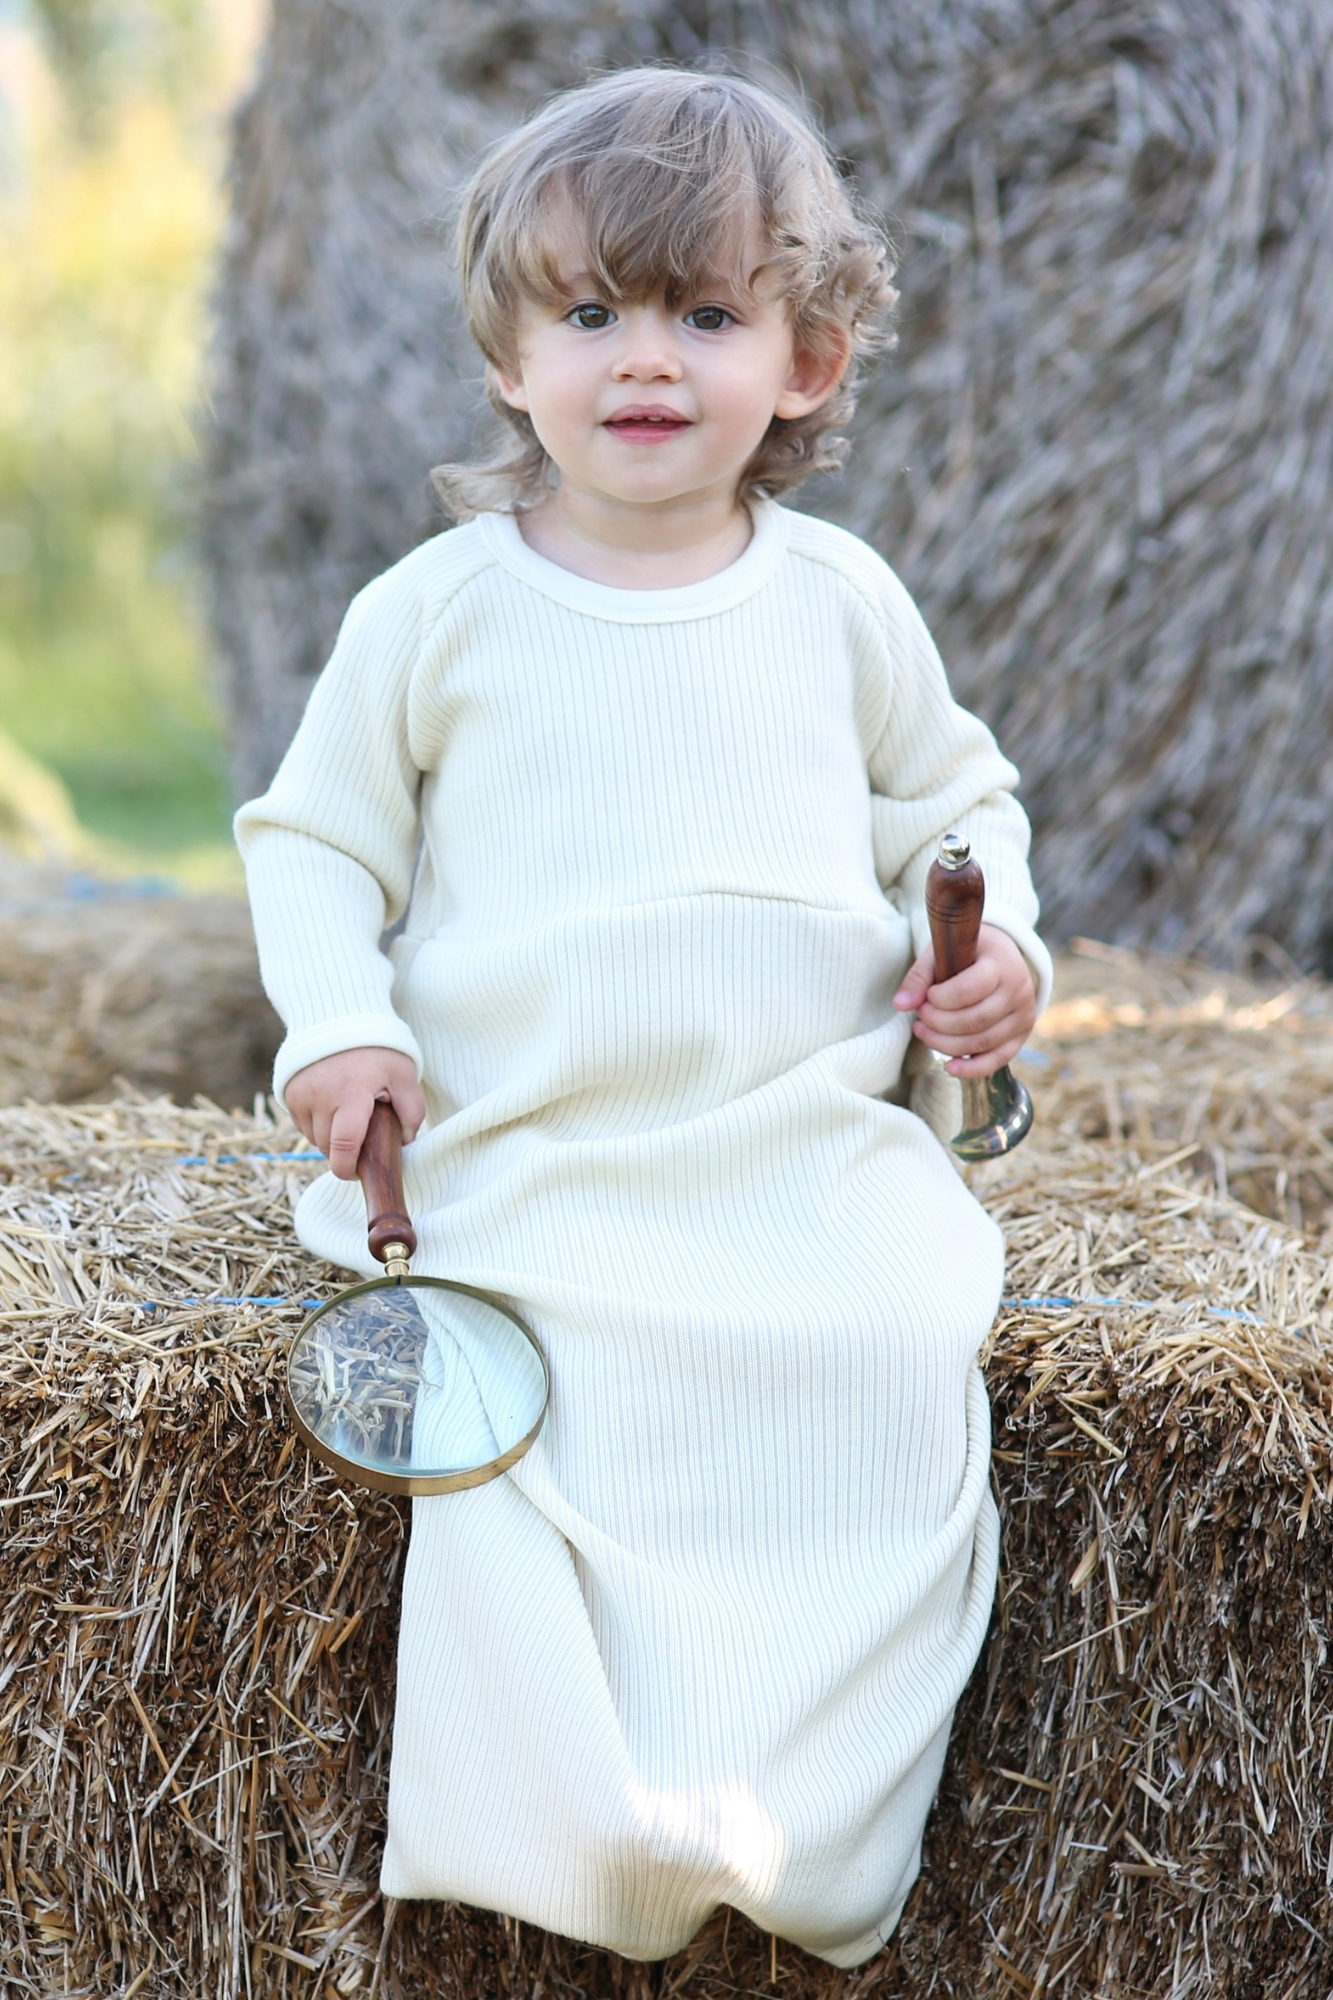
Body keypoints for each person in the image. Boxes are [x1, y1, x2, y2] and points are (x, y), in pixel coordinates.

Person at [236, 64, 1051, 1969]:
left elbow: (955, 808)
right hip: (536, 1153)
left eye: (706, 313)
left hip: (791, 1146)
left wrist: (993, 940)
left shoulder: (838, 601)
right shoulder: (438, 610)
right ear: (508, 359)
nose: (647, 359)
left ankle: (799, 1809)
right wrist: (336, 1025)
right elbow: (314, 842)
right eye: (591, 312)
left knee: (889, 1338)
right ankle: (581, 1818)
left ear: (808, 360)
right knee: (541, 1415)